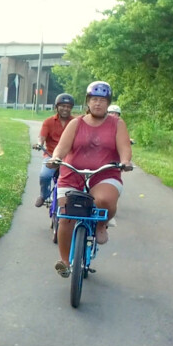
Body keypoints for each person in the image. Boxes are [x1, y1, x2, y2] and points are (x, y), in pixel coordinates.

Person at [48, 81, 133, 277]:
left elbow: (124, 148)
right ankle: (64, 262)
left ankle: (102, 225)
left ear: (108, 103)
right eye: (94, 99)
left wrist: (125, 161)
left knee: (103, 200)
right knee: (66, 214)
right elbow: (62, 147)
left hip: (105, 174)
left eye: (102, 100)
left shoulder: (117, 124)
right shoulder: (76, 123)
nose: (98, 104)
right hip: (73, 174)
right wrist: (56, 158)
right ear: (87, 102)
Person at [35, 93, 75, 207]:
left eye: (68, 106)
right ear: (56, 107)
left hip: (70, 157)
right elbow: (42, 136)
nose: (65, 109)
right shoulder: (48, 121)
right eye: (62, 106)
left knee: (79, 177)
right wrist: (39, 144)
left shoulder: (76, 122)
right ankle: (44, 195)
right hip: (51, 155)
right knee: (44, 175)